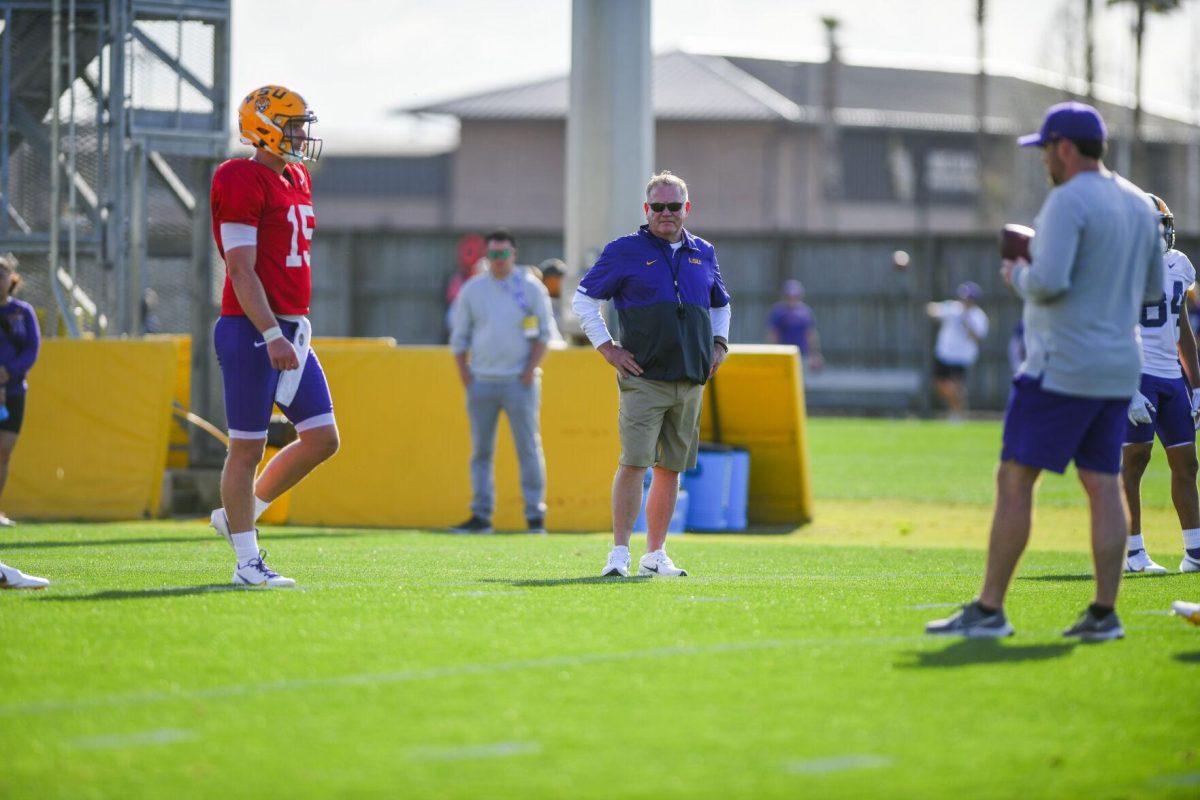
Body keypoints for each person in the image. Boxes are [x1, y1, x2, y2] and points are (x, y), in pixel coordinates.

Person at [926, 101, 1162, 642]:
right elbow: (1151, 288)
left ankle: (989, 609)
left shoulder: (1066, 200)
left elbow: (1049, 281)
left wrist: (1017, 274)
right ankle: (1104, 613)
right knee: (1103, 484)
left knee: (1015, 478)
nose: (1042, 163)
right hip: (1120, 365)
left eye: (1045, 152)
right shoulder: (1138, 203)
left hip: (1063, 363)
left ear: (1063, 147)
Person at [207, 85, 340, 588]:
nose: (303, 135)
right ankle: (246, 562)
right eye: (294, 124)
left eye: (304, 124)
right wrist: (269, 332)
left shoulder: (297, 175)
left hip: (289, 328)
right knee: (246, 448)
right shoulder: (239, 176)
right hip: (251, 328)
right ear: (264, 125)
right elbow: (240, 269)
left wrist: (286, 330)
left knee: (322, 438)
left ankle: (240, 513)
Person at [572, 170, 731, 578]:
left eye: (673, 206)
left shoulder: (704, 252)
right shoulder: (624, 250)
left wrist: (718, 344)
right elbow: (584, 300)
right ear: (647, 209)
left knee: (670, 468)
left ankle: (655, 554)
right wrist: (607, 348)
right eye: (657, 207)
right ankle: (620, 553)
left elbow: (720, 305)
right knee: (634, 463)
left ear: (686, 209)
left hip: (690, 378)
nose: (665, 213)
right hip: (643, 377)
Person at [450, 230, 555, 534]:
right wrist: (466, 375)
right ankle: (481, 516)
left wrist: (529, 370)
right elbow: (459, 339)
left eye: (503, 254)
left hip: (519, 383)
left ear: (514, 254)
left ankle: (535, 516)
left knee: (528, 448)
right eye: (492, 255)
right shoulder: (473, 289)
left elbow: (545, 333)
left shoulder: (531, 288)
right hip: (481, 381)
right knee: (481, 451)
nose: (498, 261)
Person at [1121, 194, 1200, 575]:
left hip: (1172, 377)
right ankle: (1133, 552)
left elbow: (1181, 327)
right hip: (1136, 373)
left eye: (1161, 225)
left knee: (1187, 463)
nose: (1158, 233)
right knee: (1134, 461)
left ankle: (1195, 552)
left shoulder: (1180, 264)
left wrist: (1197, 385)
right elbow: (1110, 328)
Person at [0, 254, 39, 527]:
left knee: (5, 449)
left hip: (13, 391)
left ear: (11, 279)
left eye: (2, 275)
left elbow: (32, 348)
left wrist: (9, 371)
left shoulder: (22, 312)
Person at [926, 282, 989, 421]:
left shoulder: (978, 316)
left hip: (962, 356)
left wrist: (966, 324)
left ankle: (958, 414)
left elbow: (977, 338)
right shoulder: (953, 308)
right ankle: (956, 410)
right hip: (944, 353)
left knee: (957, 386)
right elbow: (932, 309)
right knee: (941, 384)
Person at [766, 279, 823, 371]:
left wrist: (814, 354)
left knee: (801, 380)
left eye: (794, 296)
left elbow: (810, 334)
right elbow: (773, 334)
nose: (792, 299)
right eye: (789, 296)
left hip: (802, 354)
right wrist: (771, 353)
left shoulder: (805, 312)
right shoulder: (779, 312)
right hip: (783, 354)